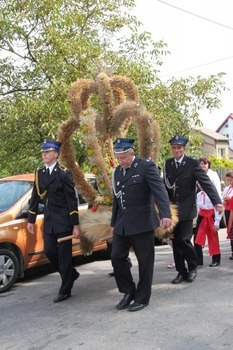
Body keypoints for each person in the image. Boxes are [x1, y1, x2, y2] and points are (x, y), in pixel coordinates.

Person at [110, 138, 172, 312]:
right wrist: (113, 223)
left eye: (123, 157)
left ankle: (142, 297)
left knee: (145, 261)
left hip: (142, 221)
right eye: (118, 157)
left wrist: (165, 214)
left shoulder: (145, 166)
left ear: (131, 153)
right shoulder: (117, 172)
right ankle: (128, 291)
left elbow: (159, 190)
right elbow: (117, 199)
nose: (121, 161)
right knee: (116, 257)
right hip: (122, 223)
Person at [164, 135, 223, 284]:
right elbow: (165, 187)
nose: (176, 150)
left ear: (184, 149)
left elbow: (206, 183)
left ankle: (192, 267)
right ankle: (181, 272)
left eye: (179, 147)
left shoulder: (192, 164)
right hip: (172, 210)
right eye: (174, 147)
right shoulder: (168, 164)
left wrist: (217, 202)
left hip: (187, 209)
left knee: (183, 239)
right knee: (175, 242)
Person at [27, 138, 80, 303]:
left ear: (56, 154)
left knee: (64, 256)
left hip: (63, 220)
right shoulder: (39, 173)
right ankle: (70, 274)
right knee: (49, 250)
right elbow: (35, 197)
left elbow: (72, 200)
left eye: (48, 152)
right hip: (49, 220)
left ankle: (65, 289)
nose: (44, 154)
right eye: (43, 152)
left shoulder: (64, 173)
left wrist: (75, 225)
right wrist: (31, 219)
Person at [194, 156, 222, 266]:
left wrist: (217, 220)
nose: (202, 166)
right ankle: (198, 260)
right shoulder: (197, 175)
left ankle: (216, 259)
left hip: (211, 211)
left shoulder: (213, 175)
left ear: (208, 165)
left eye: (204, 164)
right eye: (200, 164)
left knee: (213, 236)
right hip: (202, 212)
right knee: (197, 238)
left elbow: (217, 194)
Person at [222, 171, 233, 259]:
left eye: (231, 180)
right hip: (228, 210)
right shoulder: (227, 189)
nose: (230, 182)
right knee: (230, 230)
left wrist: (231, 198)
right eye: (228, 180)